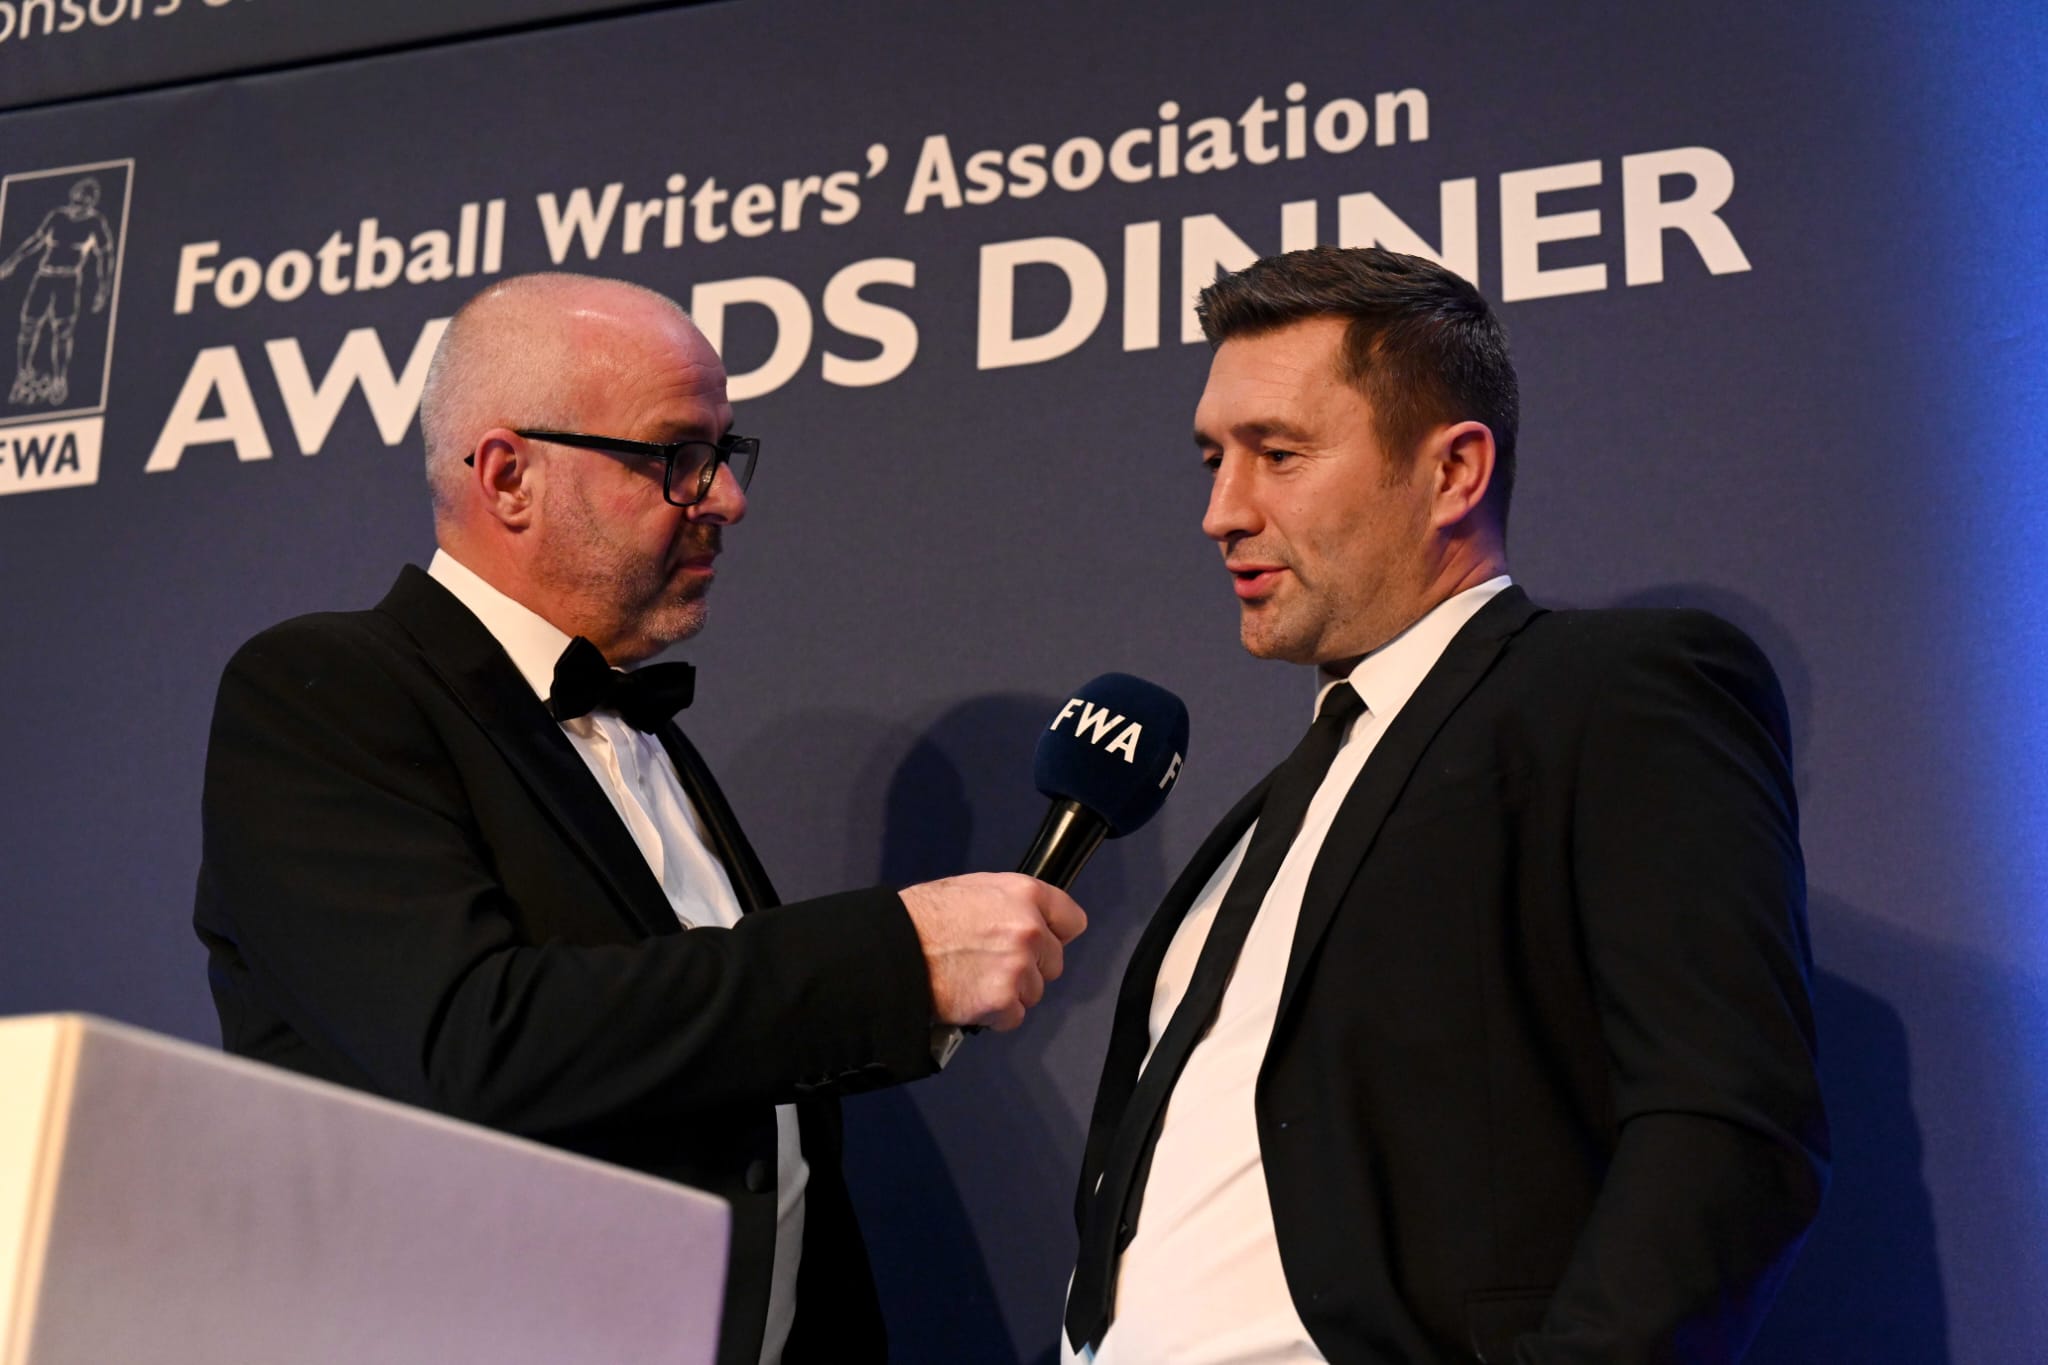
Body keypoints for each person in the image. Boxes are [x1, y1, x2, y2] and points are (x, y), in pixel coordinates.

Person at [192, 272, 1086, 1365]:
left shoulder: (644, 737)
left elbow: (699, 1063)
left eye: (724, 452)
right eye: (677, 456)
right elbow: (473, 1042)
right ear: (508, 476)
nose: (726, 498)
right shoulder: (327, 688)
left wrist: (917, 996)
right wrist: (892, 957)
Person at [1062, 246, 1827, 1364]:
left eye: (1278, 454)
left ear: (1455, 472)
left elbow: (1726, 1122)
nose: (1221, 512)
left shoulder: (1609, 691)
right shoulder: (1275, 812)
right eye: (1213, 460)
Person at [0, 175, 118, 406]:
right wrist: (12, 262)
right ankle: (23, 372)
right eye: (77, 201)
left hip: (68, 279)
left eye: (84, 202)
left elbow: (105, 256)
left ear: (91, 203)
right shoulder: (57, 216)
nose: (78, 206)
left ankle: (59, 378)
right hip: (44, 276)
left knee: (63, 331)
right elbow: (36, 240)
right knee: (28, 325)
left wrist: (103, 289)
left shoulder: (95, 223)